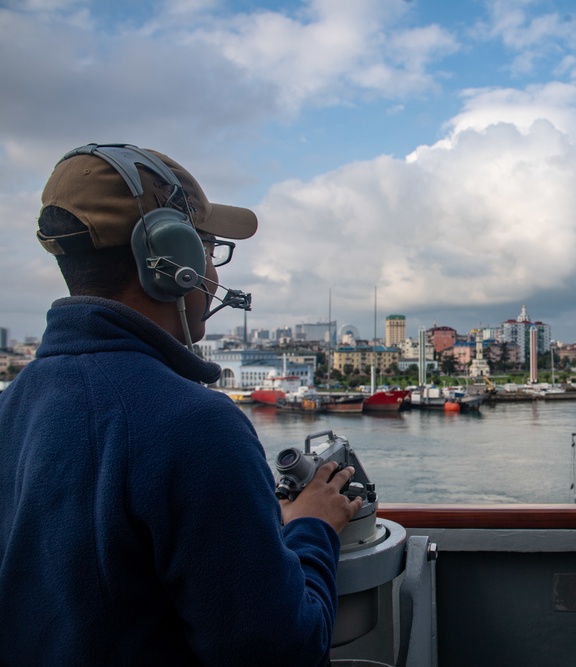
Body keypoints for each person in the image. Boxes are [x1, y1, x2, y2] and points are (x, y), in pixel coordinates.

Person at [0, 144, 362, 665]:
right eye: (210, 249)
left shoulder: (17, 402)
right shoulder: (195, 425)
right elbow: (280, 650)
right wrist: (313, 526)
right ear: (173, 261)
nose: (213, 273)